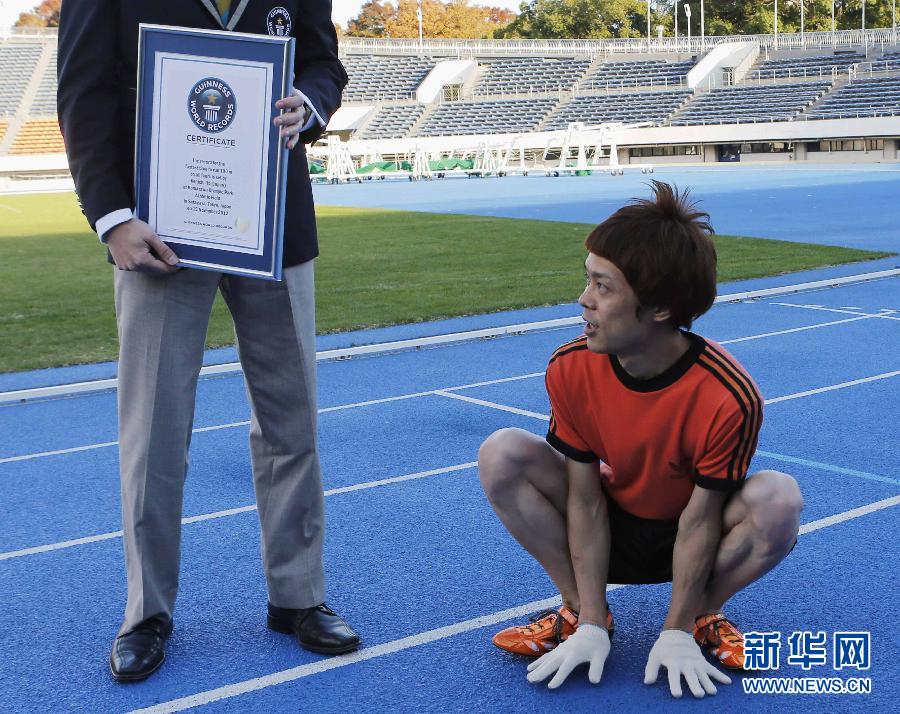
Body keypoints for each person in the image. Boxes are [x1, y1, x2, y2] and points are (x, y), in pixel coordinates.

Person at [57, 0, 359, 682]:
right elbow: (83, 90)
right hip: (160, 234)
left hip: (274, 227)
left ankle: (298, 597)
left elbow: (324, 64)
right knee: (154, 431)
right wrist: (111, 218)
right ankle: (146, 613)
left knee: (292, 422)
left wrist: (308, 104)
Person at [478, 182, 803, 698]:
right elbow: (584, 500)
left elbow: (700, 519)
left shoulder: (728, 395)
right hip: (611, 522)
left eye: (603, 287)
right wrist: (589, 617)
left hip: (691, 534)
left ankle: (698, 618)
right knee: (502, 452)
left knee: (779, 498)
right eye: (588, 280)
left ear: (659, 308)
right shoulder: (571, 367)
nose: (583, 300)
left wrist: (671, 629)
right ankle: (582, 614)